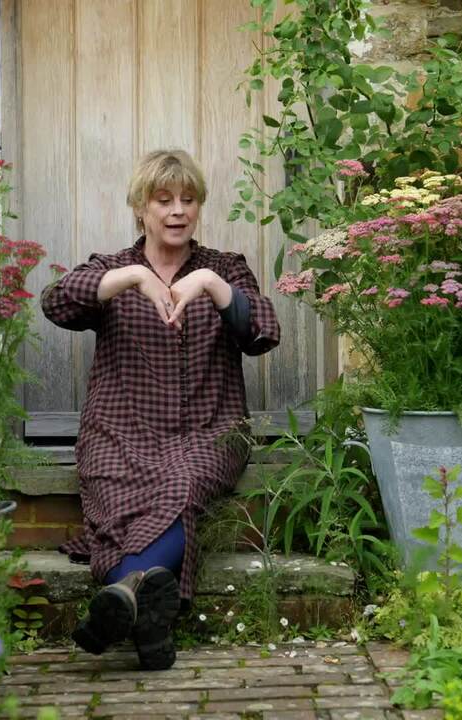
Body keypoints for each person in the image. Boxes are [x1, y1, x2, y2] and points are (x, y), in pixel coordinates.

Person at [40, 149, 280, 670]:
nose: (177, 211)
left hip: (210, 430)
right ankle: (145, 615)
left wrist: (212, 288)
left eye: (187, 200)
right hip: (119, 431)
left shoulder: (225, 268)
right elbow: (56, 301)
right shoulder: (111, 268)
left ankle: (124, 592)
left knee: (183, 485)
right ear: (140, 208)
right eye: (164, 200)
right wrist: (130, 280)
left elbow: (263, 332)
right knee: (114, 503)